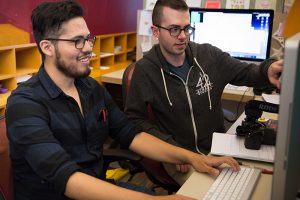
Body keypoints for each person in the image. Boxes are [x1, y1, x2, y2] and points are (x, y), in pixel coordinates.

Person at [5, 1, 240, 200]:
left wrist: (192, 157)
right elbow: (65, 178)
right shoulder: (25, 104)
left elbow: (131, 134)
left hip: (99, 188)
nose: (89, 49)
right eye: (78, 41)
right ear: (47, 47)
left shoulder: (90, 89)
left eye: (89, 39)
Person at [124, 0, 283, 185]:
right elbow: (135, 121)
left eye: (186, 28)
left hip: (216, 149)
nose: (183, 36)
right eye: (174, 29)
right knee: (215, 190)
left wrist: (267, 69)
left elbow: (245, 72)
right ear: (156, 31)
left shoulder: (208, 55)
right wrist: (173, 150)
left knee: (254, 182)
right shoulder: (145, 71)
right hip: (179, 157)